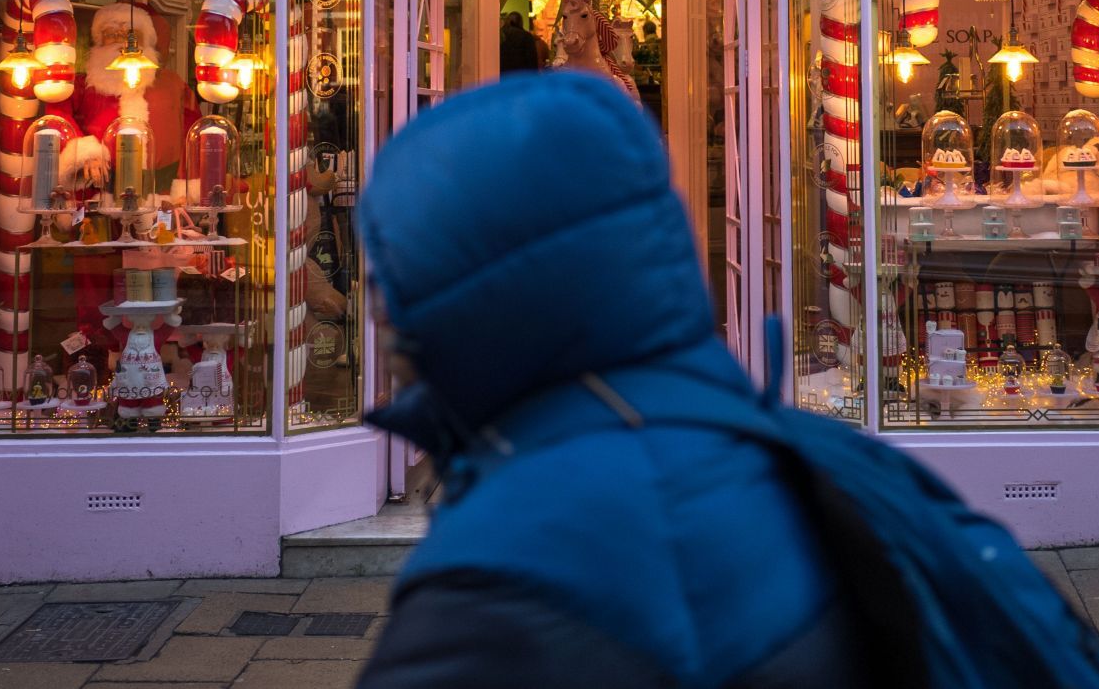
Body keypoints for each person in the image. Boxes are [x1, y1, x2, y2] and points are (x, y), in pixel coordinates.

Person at [355, 72, 865, 688]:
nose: (375, 303)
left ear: (466, 293)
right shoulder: (772, 450)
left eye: (393, 272)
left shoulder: (497, 584)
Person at [497, 10, 543, 74]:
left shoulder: (500, 35)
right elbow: (532, 60)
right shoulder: (526, 36)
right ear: (520, 22)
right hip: (521, 76)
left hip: (503, 76)